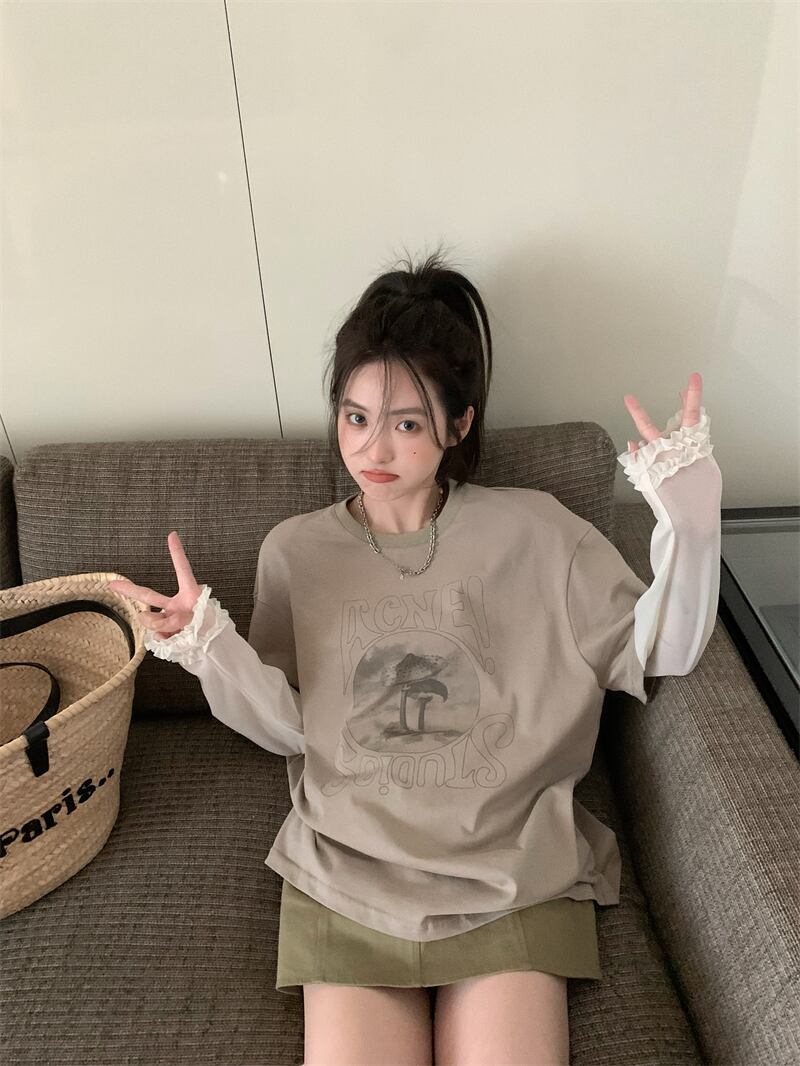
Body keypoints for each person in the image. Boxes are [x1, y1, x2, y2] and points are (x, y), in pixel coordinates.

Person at [107, 247, 722, 1066]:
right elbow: (291, 728)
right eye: (356, 416)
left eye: (406, 423)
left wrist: (691, 528)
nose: (374, 447)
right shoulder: (295, 550)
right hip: (349, 875)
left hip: (511, 878)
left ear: (459, 425)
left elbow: (660, 649)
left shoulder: (539, 532)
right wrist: (205, 645)